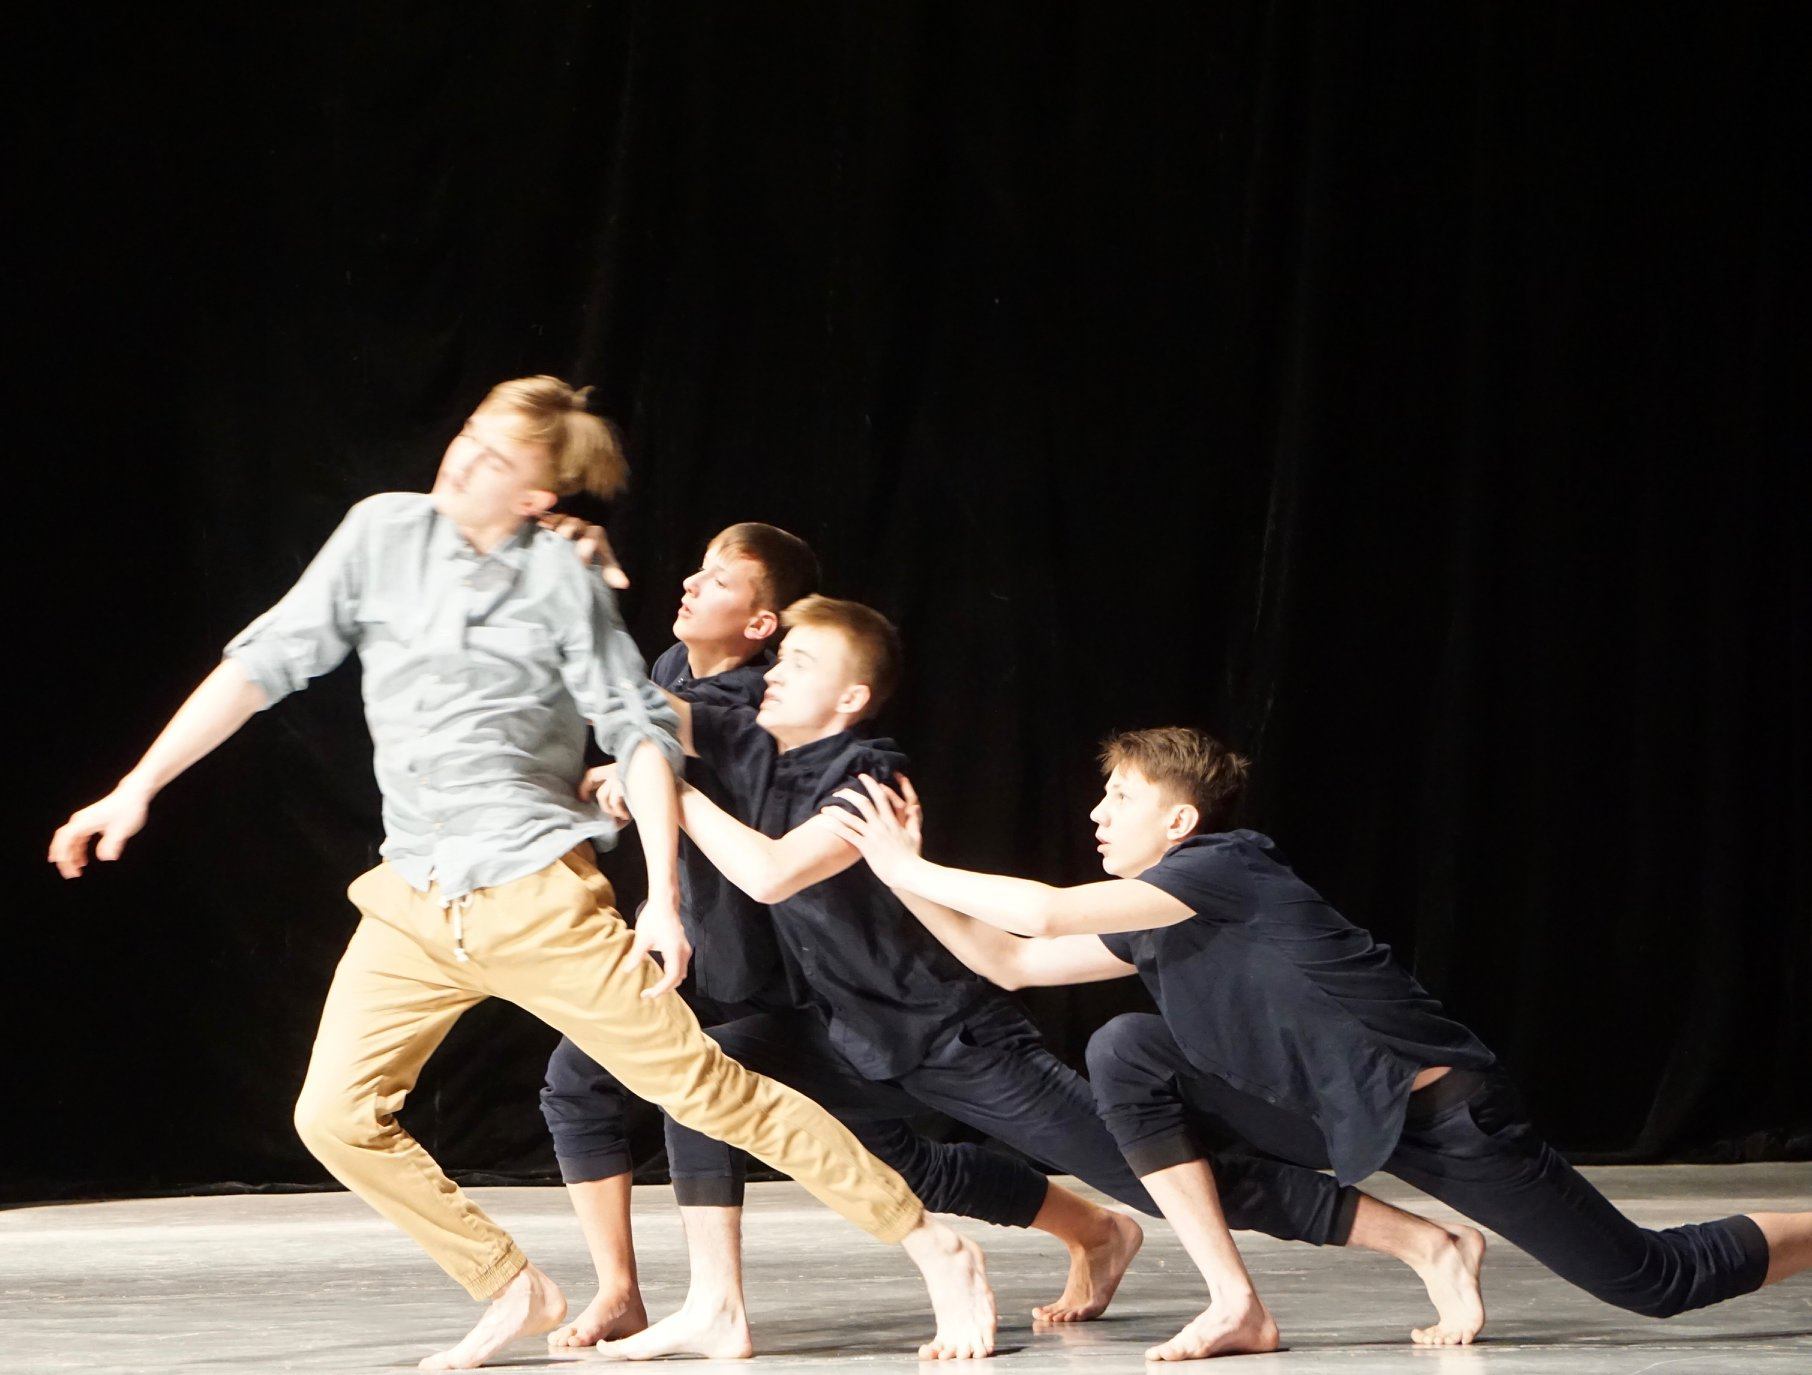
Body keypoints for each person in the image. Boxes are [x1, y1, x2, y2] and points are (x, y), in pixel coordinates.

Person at [47, 378, 995, 1368]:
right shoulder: (379, 534)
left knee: (709, 1091)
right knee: (332, 1117)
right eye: (469, 436)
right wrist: (137, 785)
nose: (464, 461)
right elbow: (263, 662)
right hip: (416, 897)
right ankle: (513, 1285)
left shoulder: (559, 585)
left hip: (537, 897)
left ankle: (935, 1245)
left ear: (539, 496)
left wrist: (665, 901)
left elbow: (641, 737)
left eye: (497, 459)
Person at [612, 597, 1480, 1359]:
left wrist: (675, 796)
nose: (774, 672)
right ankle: (717, 1303)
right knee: (701, 1077)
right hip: (851, 1031)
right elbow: (637, 708)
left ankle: (1425, 1242)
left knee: (1169, 1176)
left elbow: (767, 875)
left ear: (850, 697)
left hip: (952, 1033)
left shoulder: (868, 779)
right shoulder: (759, 746)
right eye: (782, 655)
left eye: (802, 662)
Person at [823, 725, 1812, 1361]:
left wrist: (909, 862)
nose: (1095, 812)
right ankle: (1235, 1299)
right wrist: (899, 872)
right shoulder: (1153, 914)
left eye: (1118, 797)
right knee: (1129, 1051)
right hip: (1327, 1117)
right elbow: (1010, 961)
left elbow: (1039, 912)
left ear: (1179, 817)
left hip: (1445, 1115)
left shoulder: (1224, 866)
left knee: (1652, 1279)